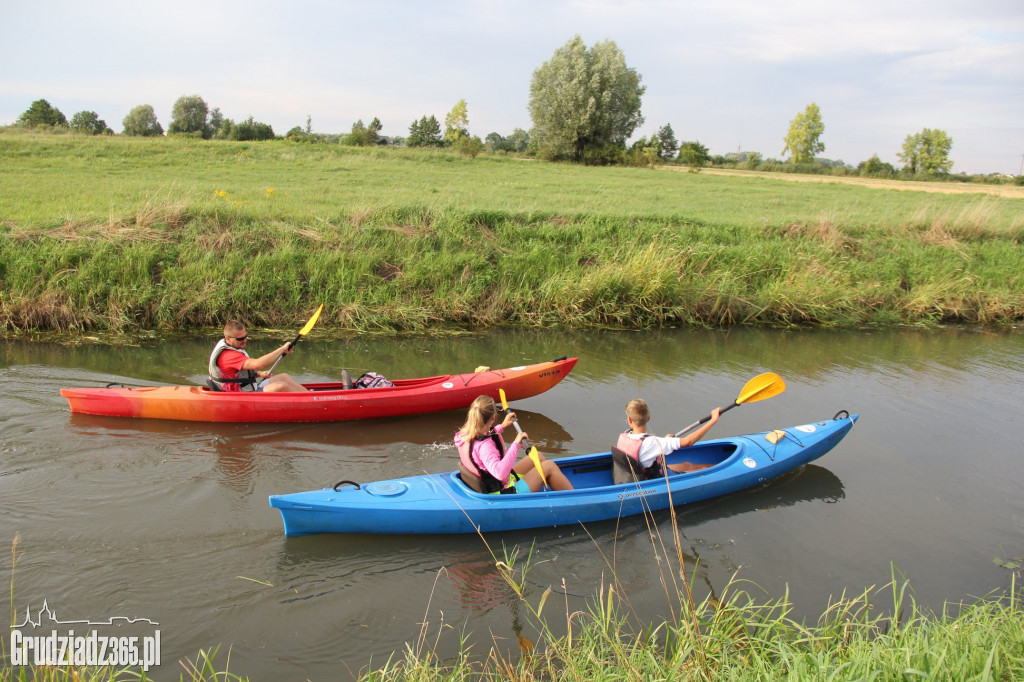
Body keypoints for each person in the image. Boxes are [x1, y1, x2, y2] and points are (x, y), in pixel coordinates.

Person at [454, 395, 573, 493]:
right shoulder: (485, 447)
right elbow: (499, 473)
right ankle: (575, 499)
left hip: (494, 482)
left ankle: (546, 483)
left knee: (538, 456)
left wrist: (502, 426)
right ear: (493, 418)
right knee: (549, 466)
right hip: (502, 493)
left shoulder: (464, 434)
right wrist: (516, 444)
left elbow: (483, 435)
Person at [617, 398, 720, 477]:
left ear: (629, 420)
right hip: (653, 478)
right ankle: (720, 470)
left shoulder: (626, 435)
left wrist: (665, 440)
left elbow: (648, 447)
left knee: (687, 464)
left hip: (637, 474)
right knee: (701, 468)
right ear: (648, 418)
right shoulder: (653, 442)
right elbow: (688, 442)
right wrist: (712, 421)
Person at [208, 320, 308, 393]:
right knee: (281, 387)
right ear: (228, 339)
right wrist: (282, 349)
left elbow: (239, 373)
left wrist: (259, 374)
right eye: (240, 339)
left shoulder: (233, 346)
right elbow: (259, 364)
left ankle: (311, 398)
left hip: (247, 387)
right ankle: (308, 404)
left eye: (245, 336)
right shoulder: (228, 356)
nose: (245, 340)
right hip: (240, 395)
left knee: (284, 377)